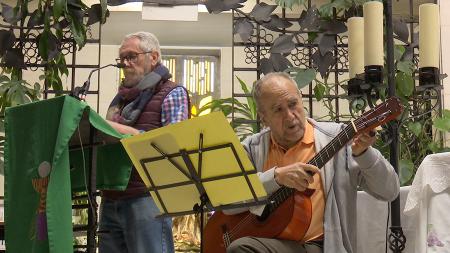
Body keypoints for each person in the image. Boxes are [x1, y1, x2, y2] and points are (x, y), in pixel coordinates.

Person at [226, 72, 399, 253]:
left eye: (293, 104)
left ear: (301, 101)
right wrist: (275, 177)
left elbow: (390, 191)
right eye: (278, 110)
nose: (290, 115)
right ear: (263, 118)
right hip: (266, 242)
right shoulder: (253, 148)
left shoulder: (338, 139)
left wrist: (364, 153)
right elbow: (228, 203)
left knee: (240, 249)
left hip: (319, 246)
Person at [99, 31, 189, 253]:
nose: (125, 63)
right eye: (122, 58)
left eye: (132, 56)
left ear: (154, 57)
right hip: (111, 196)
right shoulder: (119, 100)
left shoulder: (173, 92)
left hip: (146, 198)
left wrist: (123, 132)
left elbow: (173, 146)